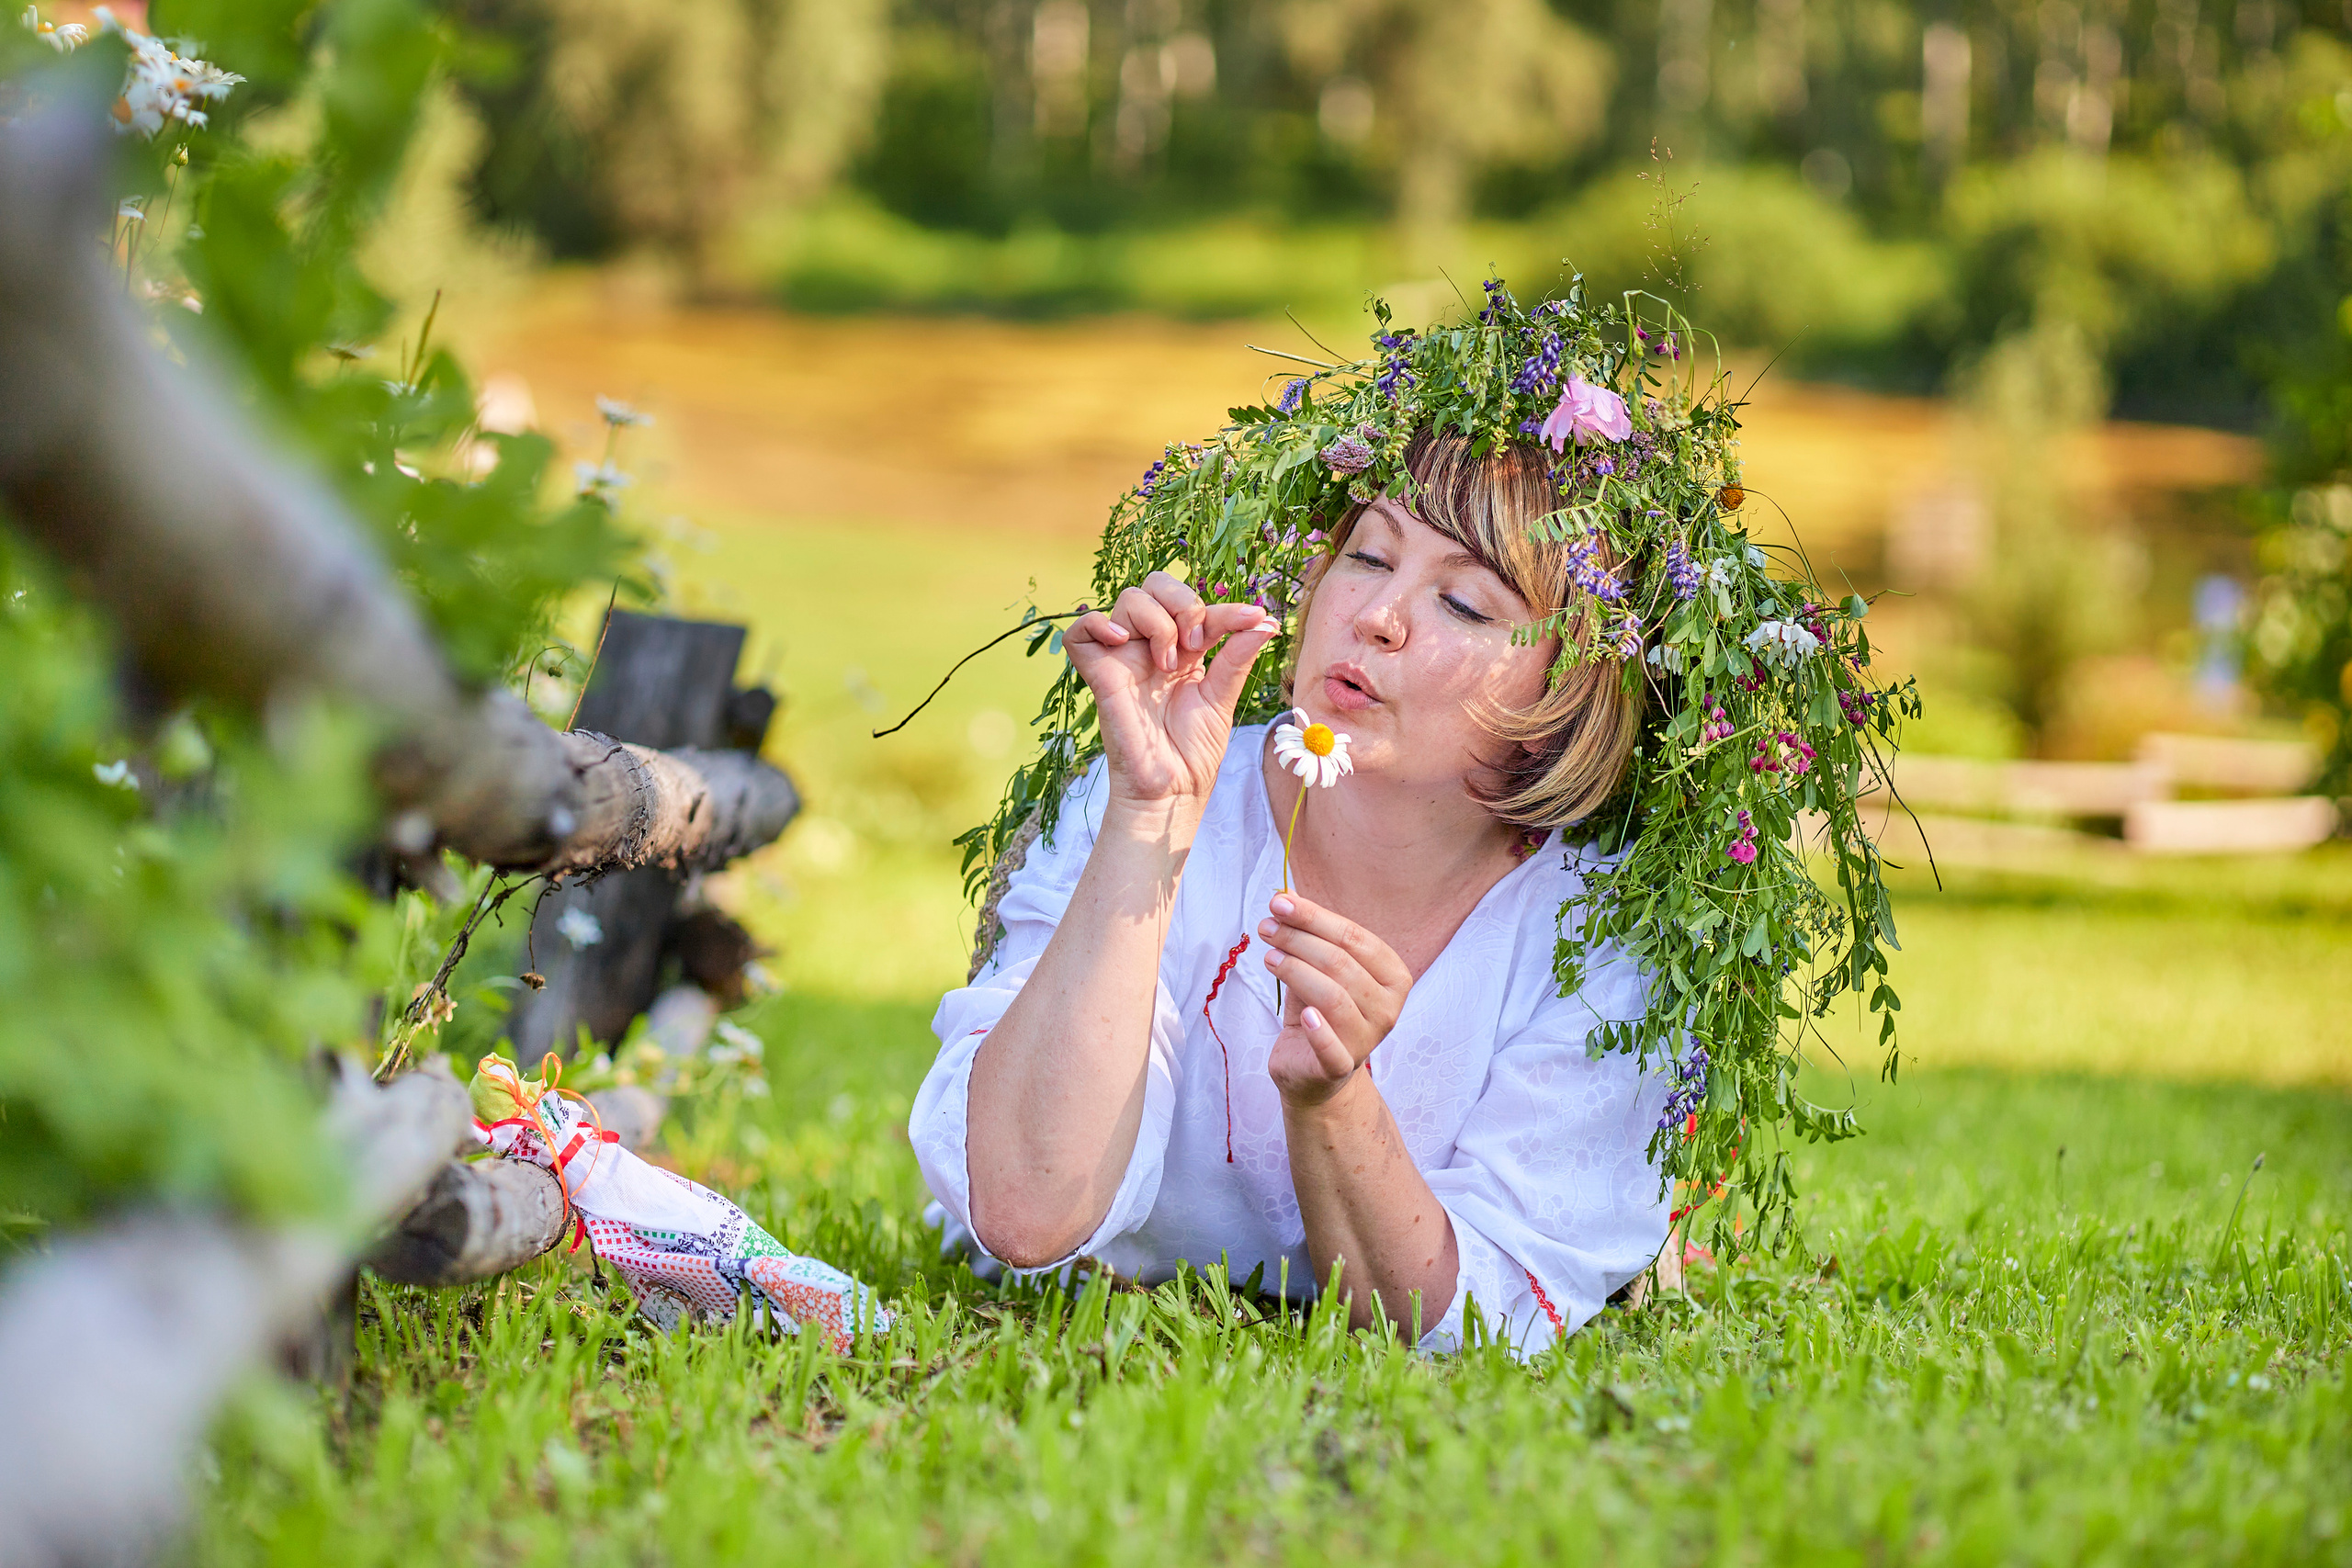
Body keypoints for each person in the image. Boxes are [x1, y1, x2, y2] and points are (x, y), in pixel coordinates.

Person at [910, 431, 1672, 1353]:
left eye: (1465, 604)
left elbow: (1465, 1322)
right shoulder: (1151, 788)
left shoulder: (1597, 933)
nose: (1378, 615)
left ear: (1571, 691)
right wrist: (1150, 818)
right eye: (1368, 555)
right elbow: (1026, 1213)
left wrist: (1333, 1099)